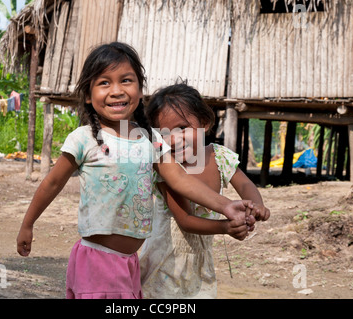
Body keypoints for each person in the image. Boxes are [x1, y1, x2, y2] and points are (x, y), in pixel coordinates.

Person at [16, 42, 254, 299]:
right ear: (87, 95)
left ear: (140, 90)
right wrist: (28, 224)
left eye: (126, 80)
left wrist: (225, 205)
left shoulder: (151, 140)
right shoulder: (84, 139)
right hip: (98, 260)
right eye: (104, 83)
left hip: (130, 262)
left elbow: (181, 179)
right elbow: (52, 183)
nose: (116, 91)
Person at [140, 83, 270, 299]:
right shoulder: (166, 168)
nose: (174, 139)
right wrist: (226, 227)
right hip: (165, 262)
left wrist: (255, 206)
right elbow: (186, 220)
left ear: (204, 123)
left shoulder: (219, 157)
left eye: (182, 128)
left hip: (200, 262)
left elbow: (245, 185)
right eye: (164, 133)